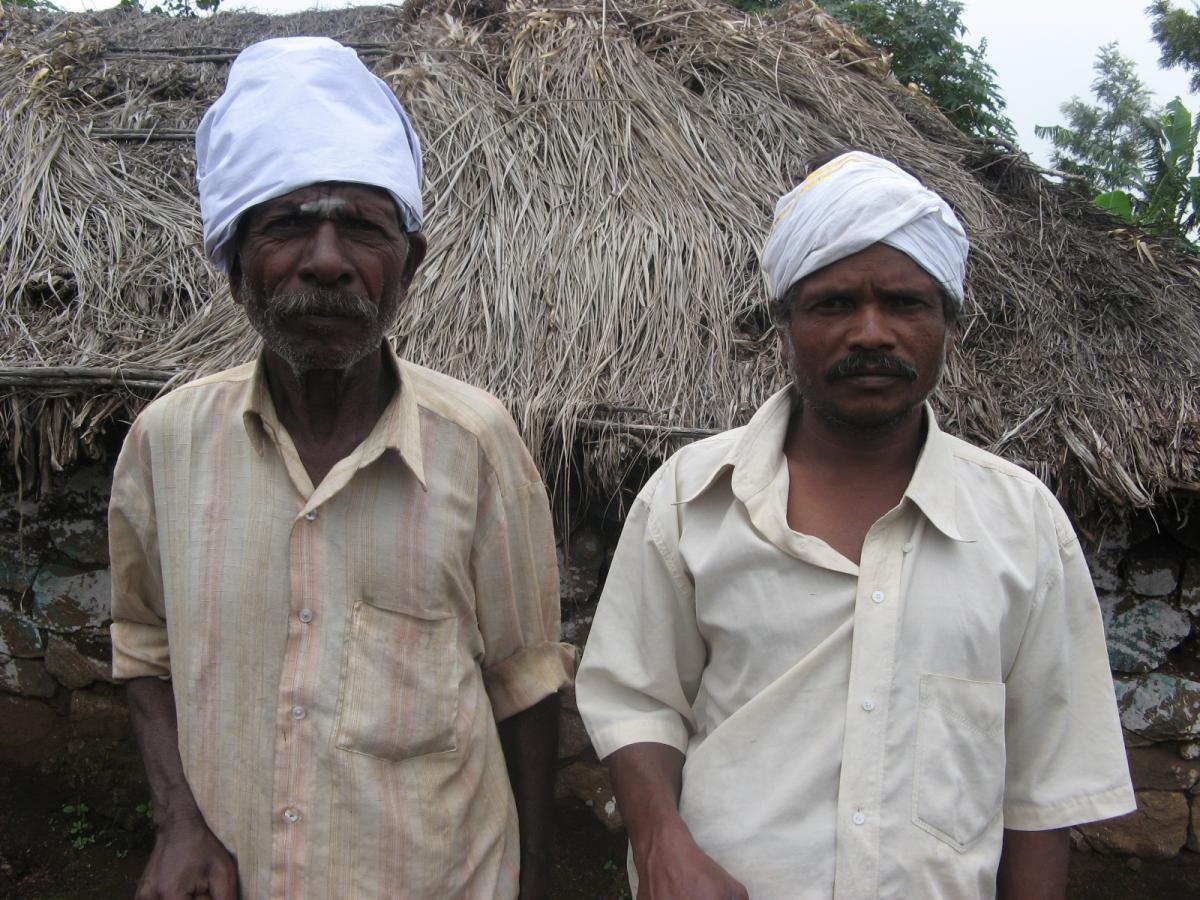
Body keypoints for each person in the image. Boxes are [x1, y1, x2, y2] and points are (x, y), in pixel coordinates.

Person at [575, 150, 1135, 900]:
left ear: (948, 324)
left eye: (906, 303)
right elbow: (635, 696)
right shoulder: (688, 499)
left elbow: (1045, 783)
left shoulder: (1021, 524)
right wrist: (661, 841)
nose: (871, 332)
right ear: (785, 324)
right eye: (834, 304)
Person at [109, 37, 574, 900]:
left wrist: (537, 879)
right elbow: (143, 645)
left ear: (411, 263)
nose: (326, 260)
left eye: (361, 226)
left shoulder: (476, 440)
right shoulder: (165, 442)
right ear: (233, 260)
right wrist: (178, 821)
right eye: (287, 223)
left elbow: (525, 678)